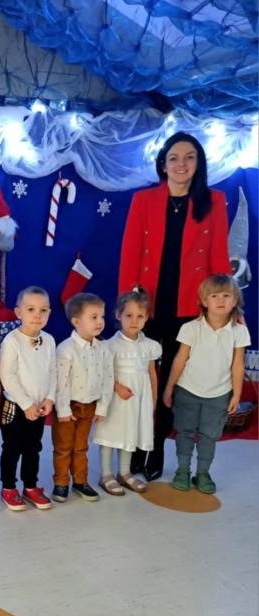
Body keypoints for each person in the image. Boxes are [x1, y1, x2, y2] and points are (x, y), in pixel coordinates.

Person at [118, 132, 231, 481]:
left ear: (199, 164)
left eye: (189, 157)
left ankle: (155, 447)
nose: (182, 164)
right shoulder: (143, 200)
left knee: (171, 381)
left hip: (188, 307)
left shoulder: (214, 201)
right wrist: (127, 304)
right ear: (163, 165)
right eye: (174, 158)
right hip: (147, 305)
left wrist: (223, 308)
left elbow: (218, 258)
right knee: (141, 376)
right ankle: (136, 445)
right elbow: (130, 252)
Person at [165, 275, 250, 494]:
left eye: (226, 295)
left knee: (209, 436)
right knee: (184, 432)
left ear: (235, 300)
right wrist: (169, 387)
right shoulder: (190, 328)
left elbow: (238, 364)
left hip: (219, 394)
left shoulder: (239, 331)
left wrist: (236, 394)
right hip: (187, 390)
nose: (220, 300)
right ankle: (182, 470)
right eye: (214, 296)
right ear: (204, 301)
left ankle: (202, 473)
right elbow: (180, 359)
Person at [95, 289, 161, 496]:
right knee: (109, 435)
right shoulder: (109, 345)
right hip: (115, 399)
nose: (134, 320)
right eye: (129, 315)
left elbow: (151, 373)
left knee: (130, 434)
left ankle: (124, 473)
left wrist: (153, 399)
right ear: (118, 315)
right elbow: (102, 373)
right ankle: (106, 475)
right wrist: (117, 387)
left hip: (137, 400)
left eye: (140, 316)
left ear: (147, 317)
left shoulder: (149, 346)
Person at [0, 287, 56, 512]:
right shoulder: (12, 340)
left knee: (33, 447)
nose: (37, 315)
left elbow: (52, 371)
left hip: (39, 407)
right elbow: (7, 376)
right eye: (31, 309)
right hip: (16, 407)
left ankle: (30, 485)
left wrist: (49, 398)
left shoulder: (49, 340)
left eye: (43, 310)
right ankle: (8, 487)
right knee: (12, 447)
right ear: (18, 312)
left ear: (49, 313)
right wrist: (26, 404)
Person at [52, 293, 113, 503]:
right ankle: (61, 483)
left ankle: (80, 481)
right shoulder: (66, 349)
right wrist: (63, 410)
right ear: (76, 322)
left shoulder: (103, 349)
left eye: (101, 316)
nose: (100, 322)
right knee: (63, 448)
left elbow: (108, 378)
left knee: (81, 447)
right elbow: (61, 383)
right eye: (93, 317)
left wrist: (102, 407)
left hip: (89, 406)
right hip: (69, 407)